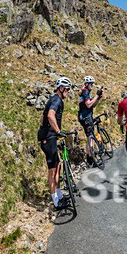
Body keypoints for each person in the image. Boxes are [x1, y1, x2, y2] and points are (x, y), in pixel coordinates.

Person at [38, 77, 73, 210]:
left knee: (57, 166)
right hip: (48, 137)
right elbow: (50, 115)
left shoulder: (57, 100)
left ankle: (59, 195)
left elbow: (43, 117)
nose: (69, 91)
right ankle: (56, 201)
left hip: (50, 136)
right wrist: (58, 131)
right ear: (61, 88)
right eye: (67, 89)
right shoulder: (56, 100)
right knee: (52, 170)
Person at [77, 75, 104, 166]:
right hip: (85, 117)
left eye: (93, 83)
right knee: (91, 137)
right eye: (91, 84)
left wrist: (98, 97)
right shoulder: (85, 92)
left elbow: (93, 105)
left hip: (87, 116)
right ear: (87, 84)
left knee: (90, 137)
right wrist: (97, 95)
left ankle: (89, 157)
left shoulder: (87, 92)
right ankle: (91, 158)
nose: (92, 85)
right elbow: (88, 105)